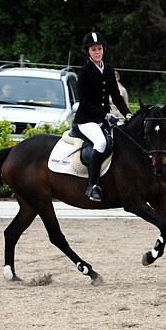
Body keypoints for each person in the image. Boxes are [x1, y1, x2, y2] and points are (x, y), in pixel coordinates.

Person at [74, 31, 132, 202]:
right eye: (93, 50)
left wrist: (127, 113)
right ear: (88, 52)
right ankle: (92, 185)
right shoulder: (84, 72)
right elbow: (84, 103)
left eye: (99, 48)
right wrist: (106, 115)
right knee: (101, 142)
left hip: (104, 118)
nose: (97, 52)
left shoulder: (108, 69)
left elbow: (116, 96)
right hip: (86, 120)